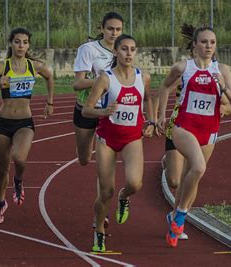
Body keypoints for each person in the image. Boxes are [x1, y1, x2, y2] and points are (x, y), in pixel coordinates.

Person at [155, 25, 231, 248]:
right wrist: (161, 117)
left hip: (209, 131)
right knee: (199, 167)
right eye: (204, 42)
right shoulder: (183, 67)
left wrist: (223, 88)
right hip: (184, 127)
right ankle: (182, 216)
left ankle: (174, 218)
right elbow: (164, 87)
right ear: (194, 45)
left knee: (191, 176)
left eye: (212, 42)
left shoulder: (222, 70)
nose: (208, 46)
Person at [82, 34, 155, 252]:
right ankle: (99, 232)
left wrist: (150, 121)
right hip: (107, 139)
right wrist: (103, 111)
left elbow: (149, 98)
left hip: (132, 138)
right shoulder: (105, 78)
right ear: (116, 52)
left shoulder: (144, 77)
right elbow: (87, 109)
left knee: (135, 184)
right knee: (105, 192)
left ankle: (124, 197)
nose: (129, 53)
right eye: (124, 49)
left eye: (133, 49)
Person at [0, 27, 54, 224]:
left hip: (24, 122)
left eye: (24, 42)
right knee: (1, 168)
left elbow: (50, 76)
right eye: (17, 42)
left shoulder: (34, 66)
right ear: (11, 44)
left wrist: (50, 102)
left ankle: (19, 180)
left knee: (19, 158)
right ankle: (0, 203)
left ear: (28, 45)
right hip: (3, 122)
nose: (21, 45)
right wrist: (0, 85)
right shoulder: (1, 67)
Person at [73, 11, 124, 229]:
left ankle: (100, 212)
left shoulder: (124, 50)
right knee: (84, 159)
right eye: (110, 28)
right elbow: (77, 83)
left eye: (118, 29)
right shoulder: (88, 49)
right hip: (86, 109)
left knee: (103, 168)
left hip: (110, 113)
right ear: (102, 28)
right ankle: (91, 149)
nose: (114, 33)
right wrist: (103, 80)